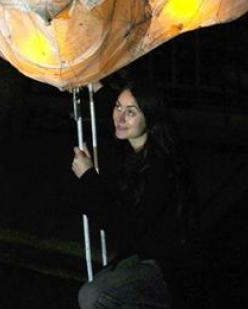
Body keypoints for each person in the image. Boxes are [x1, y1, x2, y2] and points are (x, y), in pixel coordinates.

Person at [70, 79, 199, 309]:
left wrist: (88, 176)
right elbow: (116, 104)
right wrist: (87, 81)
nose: (119, 117)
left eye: (130, 113)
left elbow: (122, 225)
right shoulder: (137, 144)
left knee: (93, 295)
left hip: (163, 267)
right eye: (118, 108)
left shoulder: (159, 168)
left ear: (150, 117)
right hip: (141, 254)